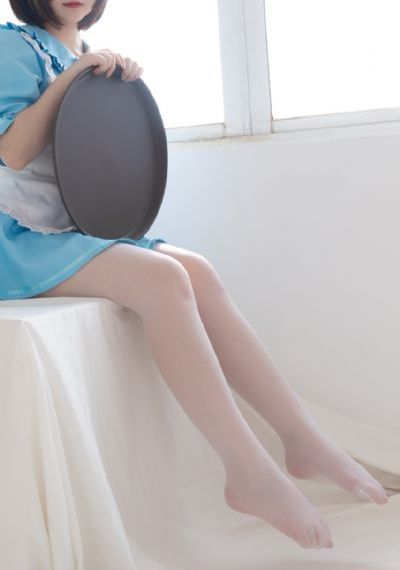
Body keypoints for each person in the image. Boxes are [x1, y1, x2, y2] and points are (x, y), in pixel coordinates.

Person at [0, 0, 389, 551]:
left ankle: (302, 437)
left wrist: (102, 80)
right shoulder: (13, 45)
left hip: (67, 228)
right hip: (17, 238)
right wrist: (74, 78)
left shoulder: (83, 53)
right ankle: (248, 471)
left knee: (196, 271)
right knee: (163, 280)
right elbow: (14, 153)